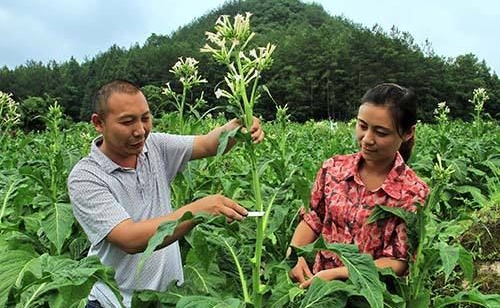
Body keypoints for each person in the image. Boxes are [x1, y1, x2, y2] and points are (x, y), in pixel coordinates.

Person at [68, 79, 264, 308]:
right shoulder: (86, 176)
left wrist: (240, 125)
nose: (140, 131)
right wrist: (197, 211)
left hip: (170, 299)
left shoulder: (155, 147)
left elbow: (208, 144)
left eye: (145, 118)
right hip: (116, 303)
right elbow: (129, 239)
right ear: (98, 123)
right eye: (127, 121)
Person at [288, 83, 429, 288]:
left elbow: (399, 261)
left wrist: (339, 274)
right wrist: (295, 256)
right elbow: (313, 219)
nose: (367, 139)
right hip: (319, 292)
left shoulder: (413, 192)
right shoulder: (333, 169)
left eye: (381, 132)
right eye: (362, 126)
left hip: (372, 295)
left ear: (407, 133)